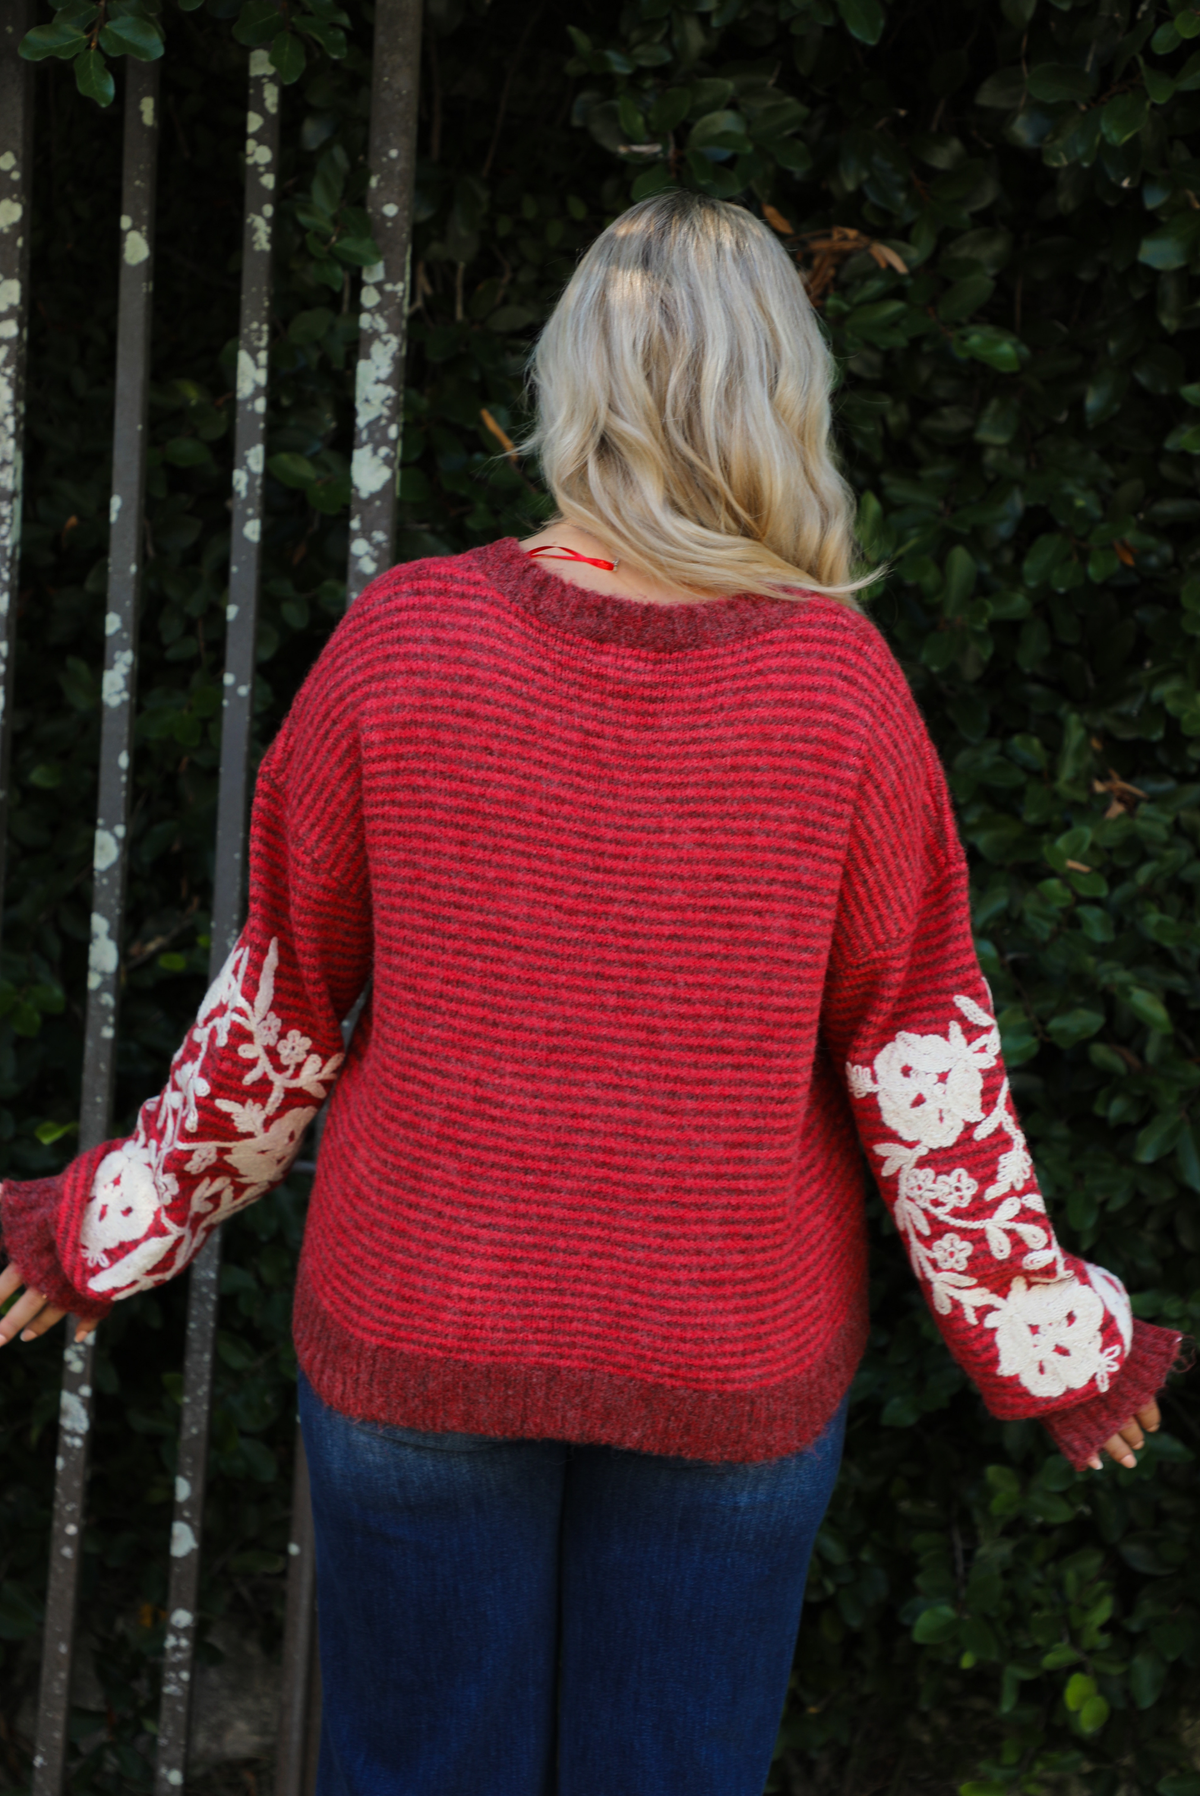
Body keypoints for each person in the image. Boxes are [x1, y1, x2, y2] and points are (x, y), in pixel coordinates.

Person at [0, 192, 1182, 1796]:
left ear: (578, 383)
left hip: (423, 1334)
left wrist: (106, 1230)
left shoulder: (403, 643)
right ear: (785, 398)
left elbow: (277, 1015)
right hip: (729, 1360)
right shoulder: (840, 688)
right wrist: (1049, 1344)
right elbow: (926, 1065)